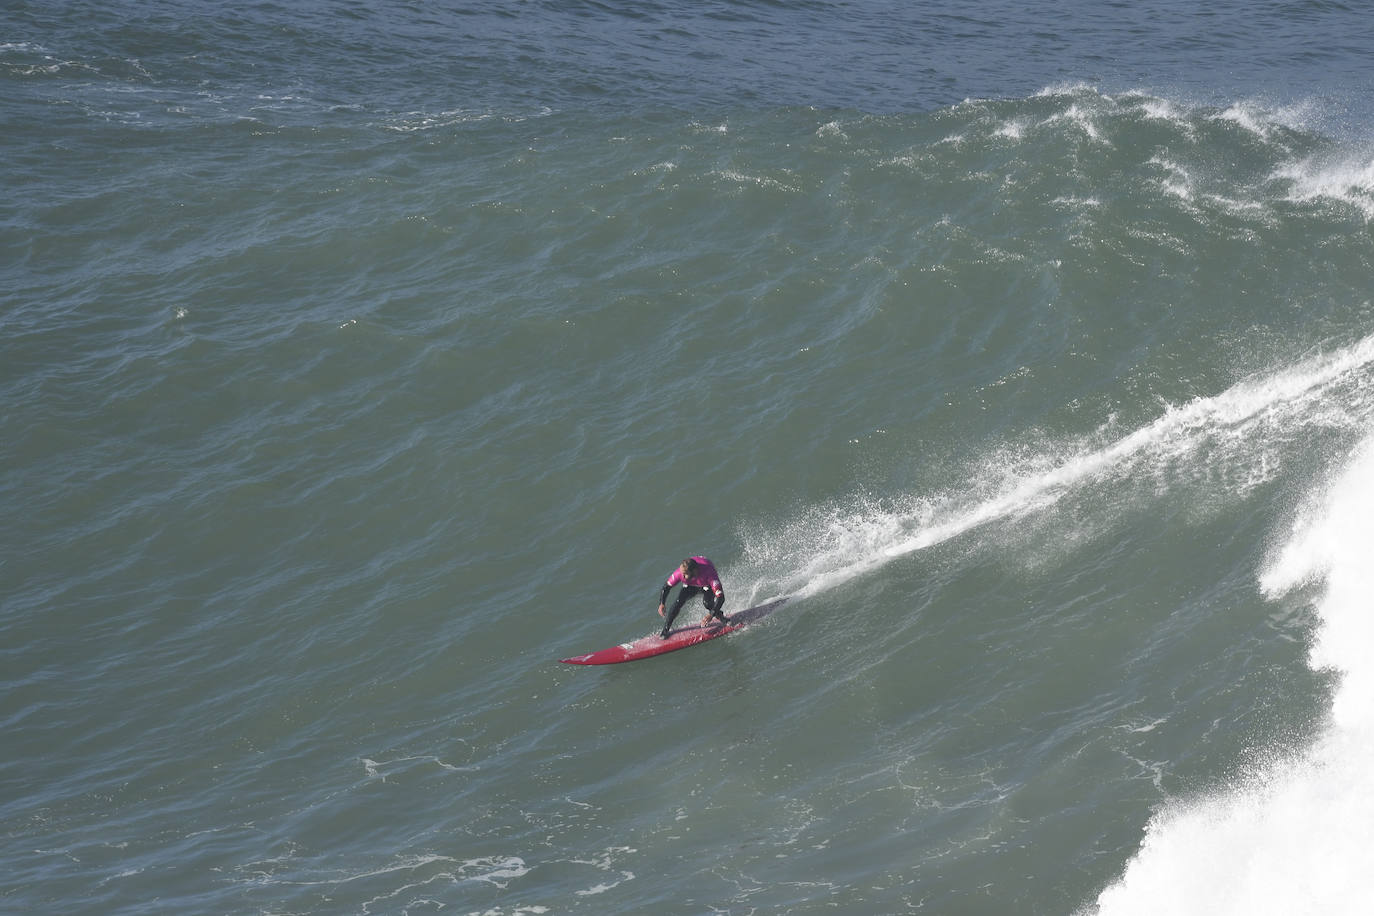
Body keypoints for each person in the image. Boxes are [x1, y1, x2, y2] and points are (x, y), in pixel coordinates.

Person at [657, 556, 727, 638]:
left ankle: (722, 618)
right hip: (690, 585)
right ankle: (665, 629)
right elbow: (666, 587)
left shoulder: (710, 574)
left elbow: (721, 597)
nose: (682, 577)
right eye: (682, 573)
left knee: (707, 604)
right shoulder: (680, 573)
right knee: (678, 603)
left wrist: (711, 615)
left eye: (685, 574)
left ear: (694, 571)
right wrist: (662, 603)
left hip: (706, 585)